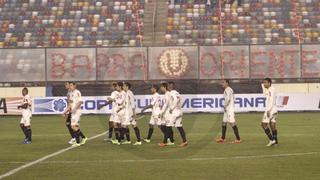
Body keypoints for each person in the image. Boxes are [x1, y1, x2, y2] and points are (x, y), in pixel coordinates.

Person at [168, 82, 188, 147]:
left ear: (170, 86)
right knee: (179, 127)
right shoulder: (177, 93)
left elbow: (176, 100)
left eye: (168, 86)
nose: (168, 87)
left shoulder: (171, 93)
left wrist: (172, 108)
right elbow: (179, 100)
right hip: (179, 111)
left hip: (175, 111)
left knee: (168, 125)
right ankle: (185, 141)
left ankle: (169, 141)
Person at [68, 82, 87, 147]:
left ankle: (78, 142)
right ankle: (84, 138)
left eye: (71, 85)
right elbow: (71, 103)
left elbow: (80, 101)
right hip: (73, 112)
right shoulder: (70, 93)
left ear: (75, 86)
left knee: (73, 126)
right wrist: (68, 110)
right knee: (74, 126)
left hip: (77, 111)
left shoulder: (77, 92)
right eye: (69, 85)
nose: (70, 87)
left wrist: (75, 108)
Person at [261, 78, 278, 147]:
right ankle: (276, 141)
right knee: (272, 125)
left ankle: (272, 140)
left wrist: (268, 110)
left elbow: (271, 100)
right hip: (274, 109)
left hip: (270, 110)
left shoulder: (271, 89)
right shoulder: (270, 89)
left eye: (265, 82)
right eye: (263, 82)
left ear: (269, 83)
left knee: (263, 124)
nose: (264, 84)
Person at [158, 82, 175, 147]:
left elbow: (166, 104)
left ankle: (165, 141)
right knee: (165, 127)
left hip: (168, 113)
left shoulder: (167, 94)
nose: (161, 88)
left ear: (164, 87)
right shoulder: (166, 94)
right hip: (167, 113)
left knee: (167, 127)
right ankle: (171, 140)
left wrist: (161, 112)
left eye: (161, 87)